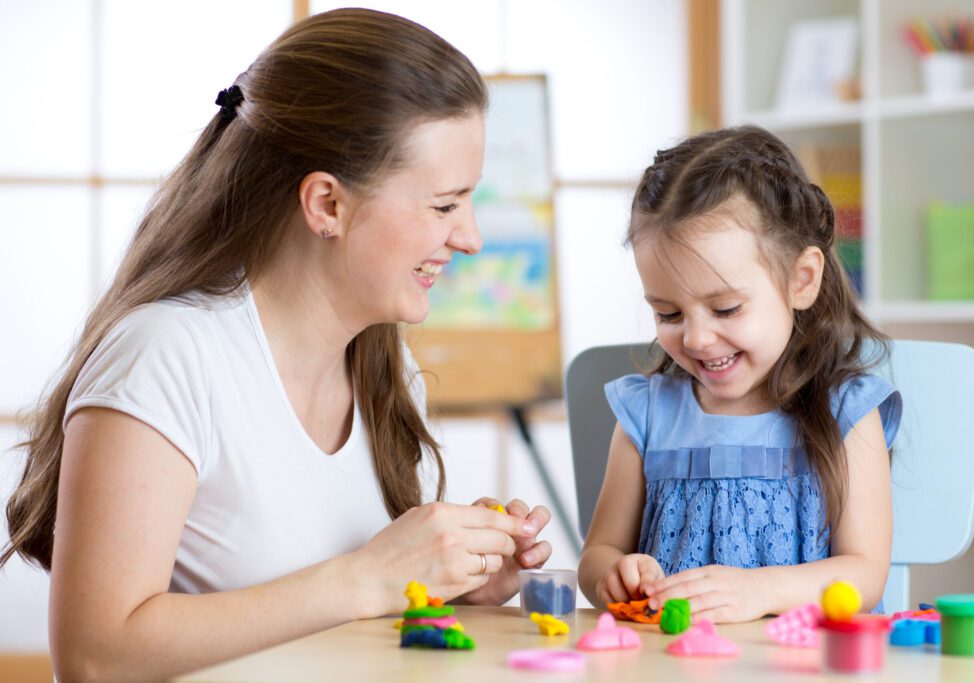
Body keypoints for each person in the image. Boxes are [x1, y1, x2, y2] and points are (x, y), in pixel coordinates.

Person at [0, 9, 551, 682]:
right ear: (326, 204)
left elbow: (334, 632)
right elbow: (95, 656)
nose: (470, 237)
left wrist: (441, 584)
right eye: (444, 206)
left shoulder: (385, 365)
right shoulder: (168, 354)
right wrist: (369, 577)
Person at [578, 125, 902, 623]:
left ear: (802, 280)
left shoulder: (847, 412)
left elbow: (864, 572)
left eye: (725, 309)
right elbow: (598, 553)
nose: (696, 339)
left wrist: (760, 591)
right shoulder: (647, 414)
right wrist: (617, 574)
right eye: (668, 314)